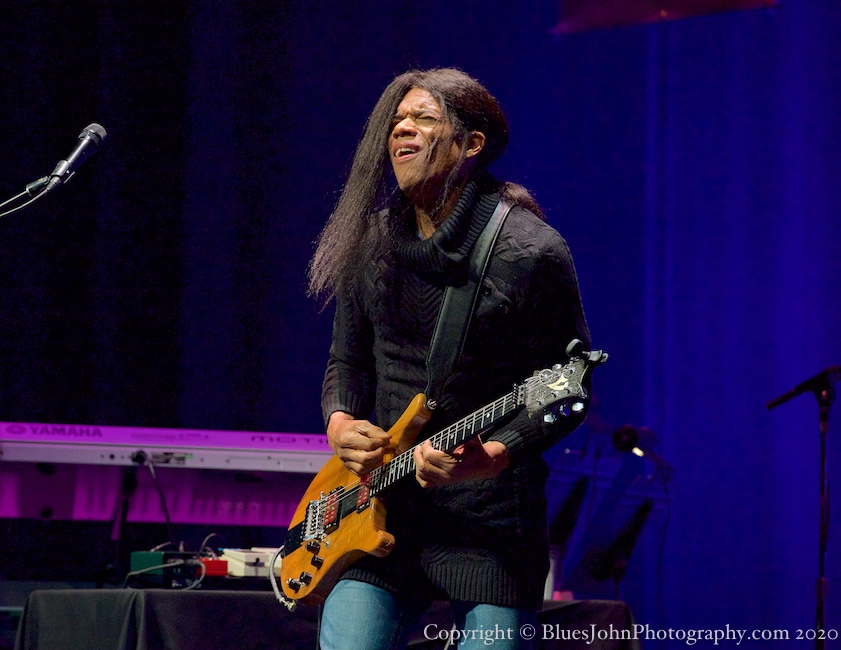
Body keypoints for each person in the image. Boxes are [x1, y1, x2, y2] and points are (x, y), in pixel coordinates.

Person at [307, 68, 590, 650]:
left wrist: (493, 454)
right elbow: (348, 364)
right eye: (396, 121)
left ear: (471, 144)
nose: (402, 130)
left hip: (488, 524)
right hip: (377, 506)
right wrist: (340, 423)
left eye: (424, 119)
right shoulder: (372, 240)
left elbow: (570, 387)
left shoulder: (529, 250)